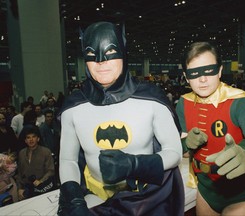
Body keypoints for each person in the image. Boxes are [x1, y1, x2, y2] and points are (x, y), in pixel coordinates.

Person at [57, 21, 184, 216]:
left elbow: (174, 152)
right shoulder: (73, 107)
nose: (101, 62)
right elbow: (68, 160)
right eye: (92, 55)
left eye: (110, 53)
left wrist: (134, 164)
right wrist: (74, 200)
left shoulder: (151, 99)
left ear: (123, 52)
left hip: (146, 198)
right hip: (93, 198)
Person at [176, 41, 245, 216]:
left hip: (239, 191)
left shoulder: (240, 101)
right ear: (186, 76)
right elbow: (184, 151)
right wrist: (185, 143)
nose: (202, 79)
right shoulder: (184, 103)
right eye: (194, 73)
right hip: (204, 187)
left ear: (219, 70)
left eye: (209, 70)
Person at [16, 126, 55, 201]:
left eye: (33, 137)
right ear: (25, 140)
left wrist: (41, 181)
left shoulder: (46, 152)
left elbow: (51, 171)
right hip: (27, 188)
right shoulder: (22, 153)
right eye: (28, 137)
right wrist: (20, 188)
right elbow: (20, 173)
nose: (31, 140)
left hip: (43, 187)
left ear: (38, 139)